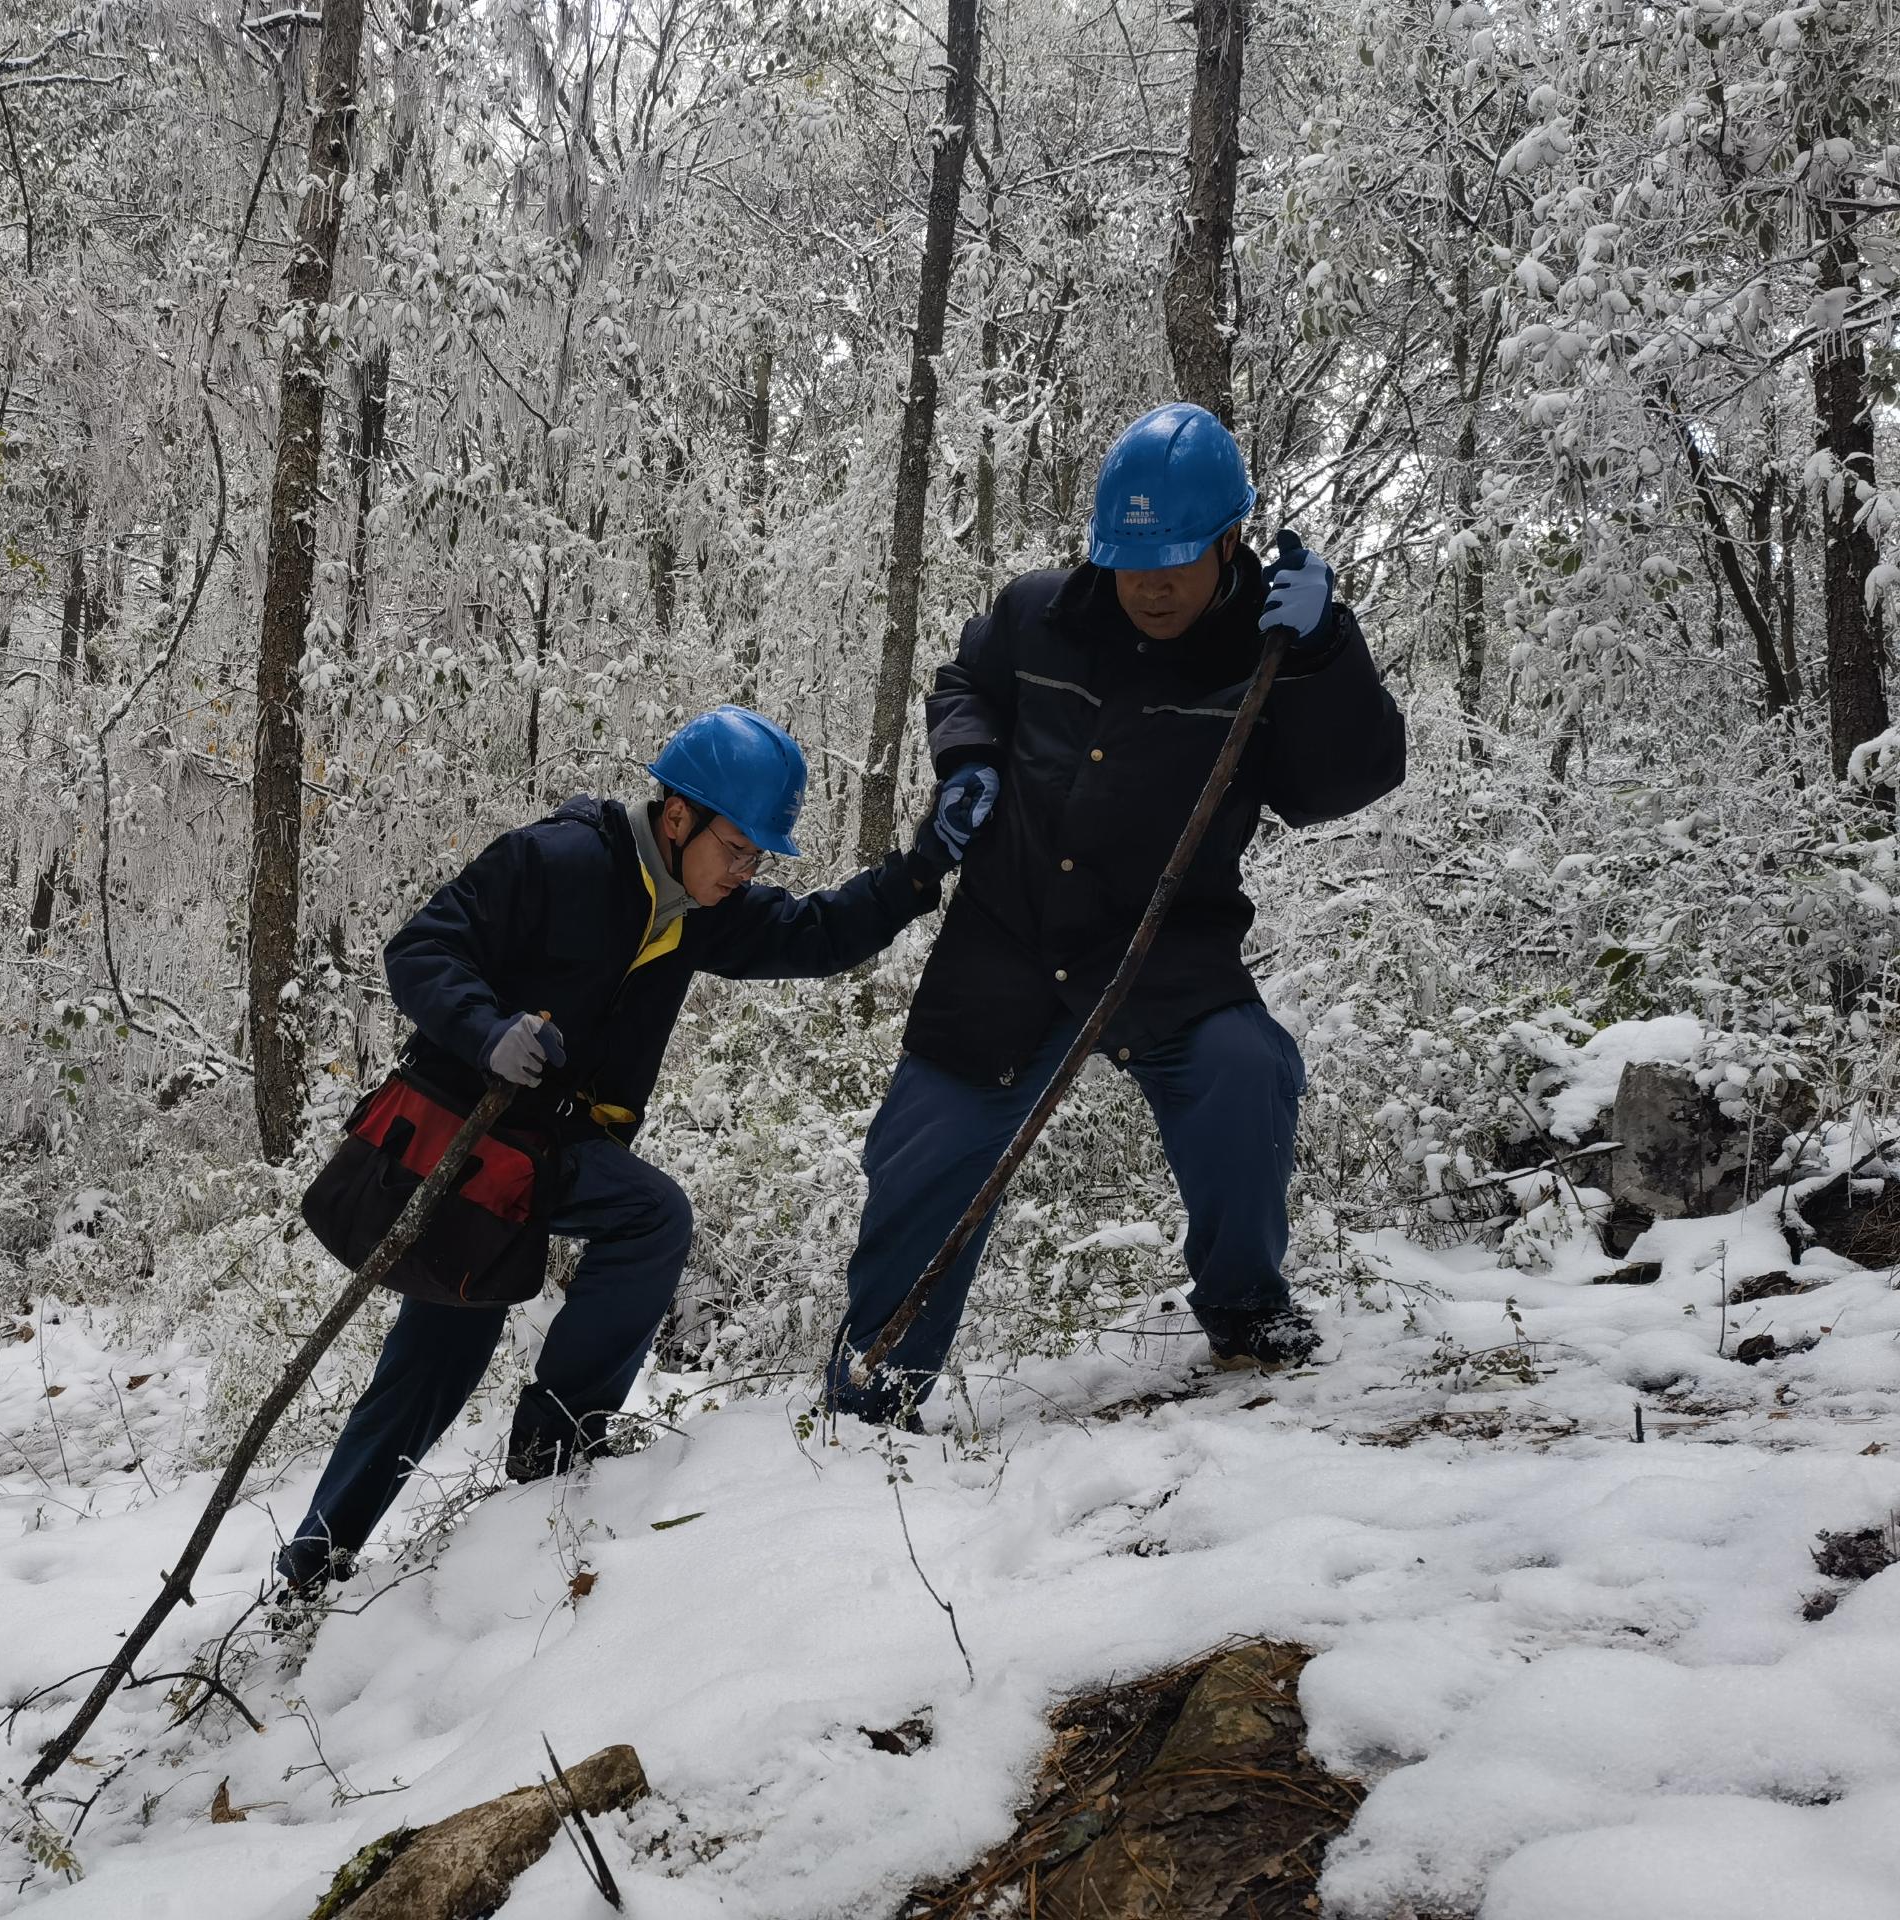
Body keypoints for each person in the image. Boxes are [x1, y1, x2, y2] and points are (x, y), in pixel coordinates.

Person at [278, 706, 977, 1594]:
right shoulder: (552, 862)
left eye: (760, 855)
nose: (746, 869)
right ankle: (310, 1570)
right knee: (429, 1368)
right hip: (466, 1151)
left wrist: (922, 870)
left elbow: (816, 935)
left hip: (549, 1153)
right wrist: (487, 1029)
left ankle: (555, 1449)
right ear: (677, 816)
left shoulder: (698, 907)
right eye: (738, 846)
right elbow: (423, 949)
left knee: (646, 1218)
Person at [826, 401, 1408, 1423]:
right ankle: (874, 1386)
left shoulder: (1267, 653)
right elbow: (966, 681)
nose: (1151, 584)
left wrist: (1324, 656)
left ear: (1232, 539)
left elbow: (1340, 783)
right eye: (1132, 559)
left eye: (1177, 558)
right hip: (1005, 945)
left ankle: (1244, 1307)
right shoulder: (1036, 614)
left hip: (1163, 952)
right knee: (920, 1154)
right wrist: (965, 759)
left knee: (1246, 1072)